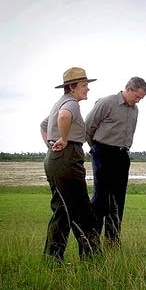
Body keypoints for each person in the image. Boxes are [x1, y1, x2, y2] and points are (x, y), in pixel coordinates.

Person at [40, 67, 101, 262]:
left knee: (63, 209)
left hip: (55, 159)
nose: (87, 89)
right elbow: (64, 116)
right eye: (84, 86)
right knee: (83, 210)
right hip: (67, 156)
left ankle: (52, 258)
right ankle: (93, 260)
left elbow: (43, 125)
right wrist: (64, 140)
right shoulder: (71, 104)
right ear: (72, 87)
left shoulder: (59, 102)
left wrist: (51, 144)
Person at [84, 77, 146, 247]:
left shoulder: (135, 110)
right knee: (100, 199)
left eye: (141, 98)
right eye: (137, 97)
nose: (138, 101)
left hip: (122, 155)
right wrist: (96, 148)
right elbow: (88, 127)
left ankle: (112, 241)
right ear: (128, 89)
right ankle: (92, 241)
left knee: (118, 200)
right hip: (103, 152)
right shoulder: (106, 103)